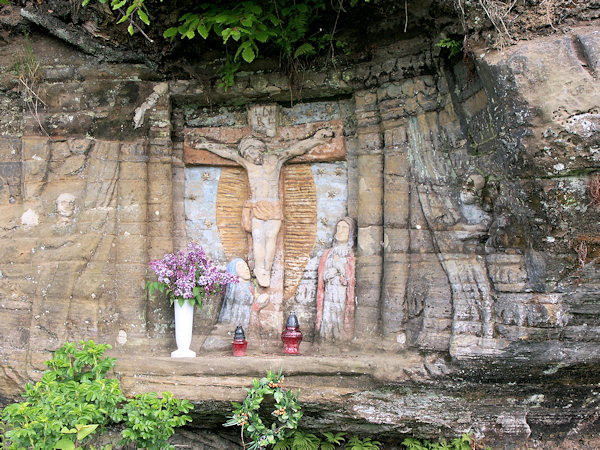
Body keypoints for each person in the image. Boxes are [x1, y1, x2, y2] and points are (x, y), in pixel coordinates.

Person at [195, 128, 334, 287]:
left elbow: (295, 150)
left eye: (251, 153)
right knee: (258, 238)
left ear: (258, 149)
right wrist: (206, 145)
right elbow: (228, 153)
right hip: (257, 206)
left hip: (273, 206)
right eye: (246, 155)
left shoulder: (275, 159)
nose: (250, 157)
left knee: (271, 238)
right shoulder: (247, 163)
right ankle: (259, 269)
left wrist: (316, 139)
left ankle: (266, 270)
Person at [315, 217, 356, 342]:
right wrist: (328, 274)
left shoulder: (351, 254)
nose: (340, 230)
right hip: (329, 293)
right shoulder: (328, 253)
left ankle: (340, 341)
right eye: (338, 227)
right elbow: (322, 276)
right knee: (327, 316)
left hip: (342, 294)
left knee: (340, 317)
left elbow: (351, 277)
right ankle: (325, 340)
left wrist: (338, 267)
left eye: (344, 228)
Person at [218, 258, 254, 327]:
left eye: (246, 266)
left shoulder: (251, 285)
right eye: (241, 267)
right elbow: (230, 302)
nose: (246, 269)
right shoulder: (235, 286)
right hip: (238, 316)